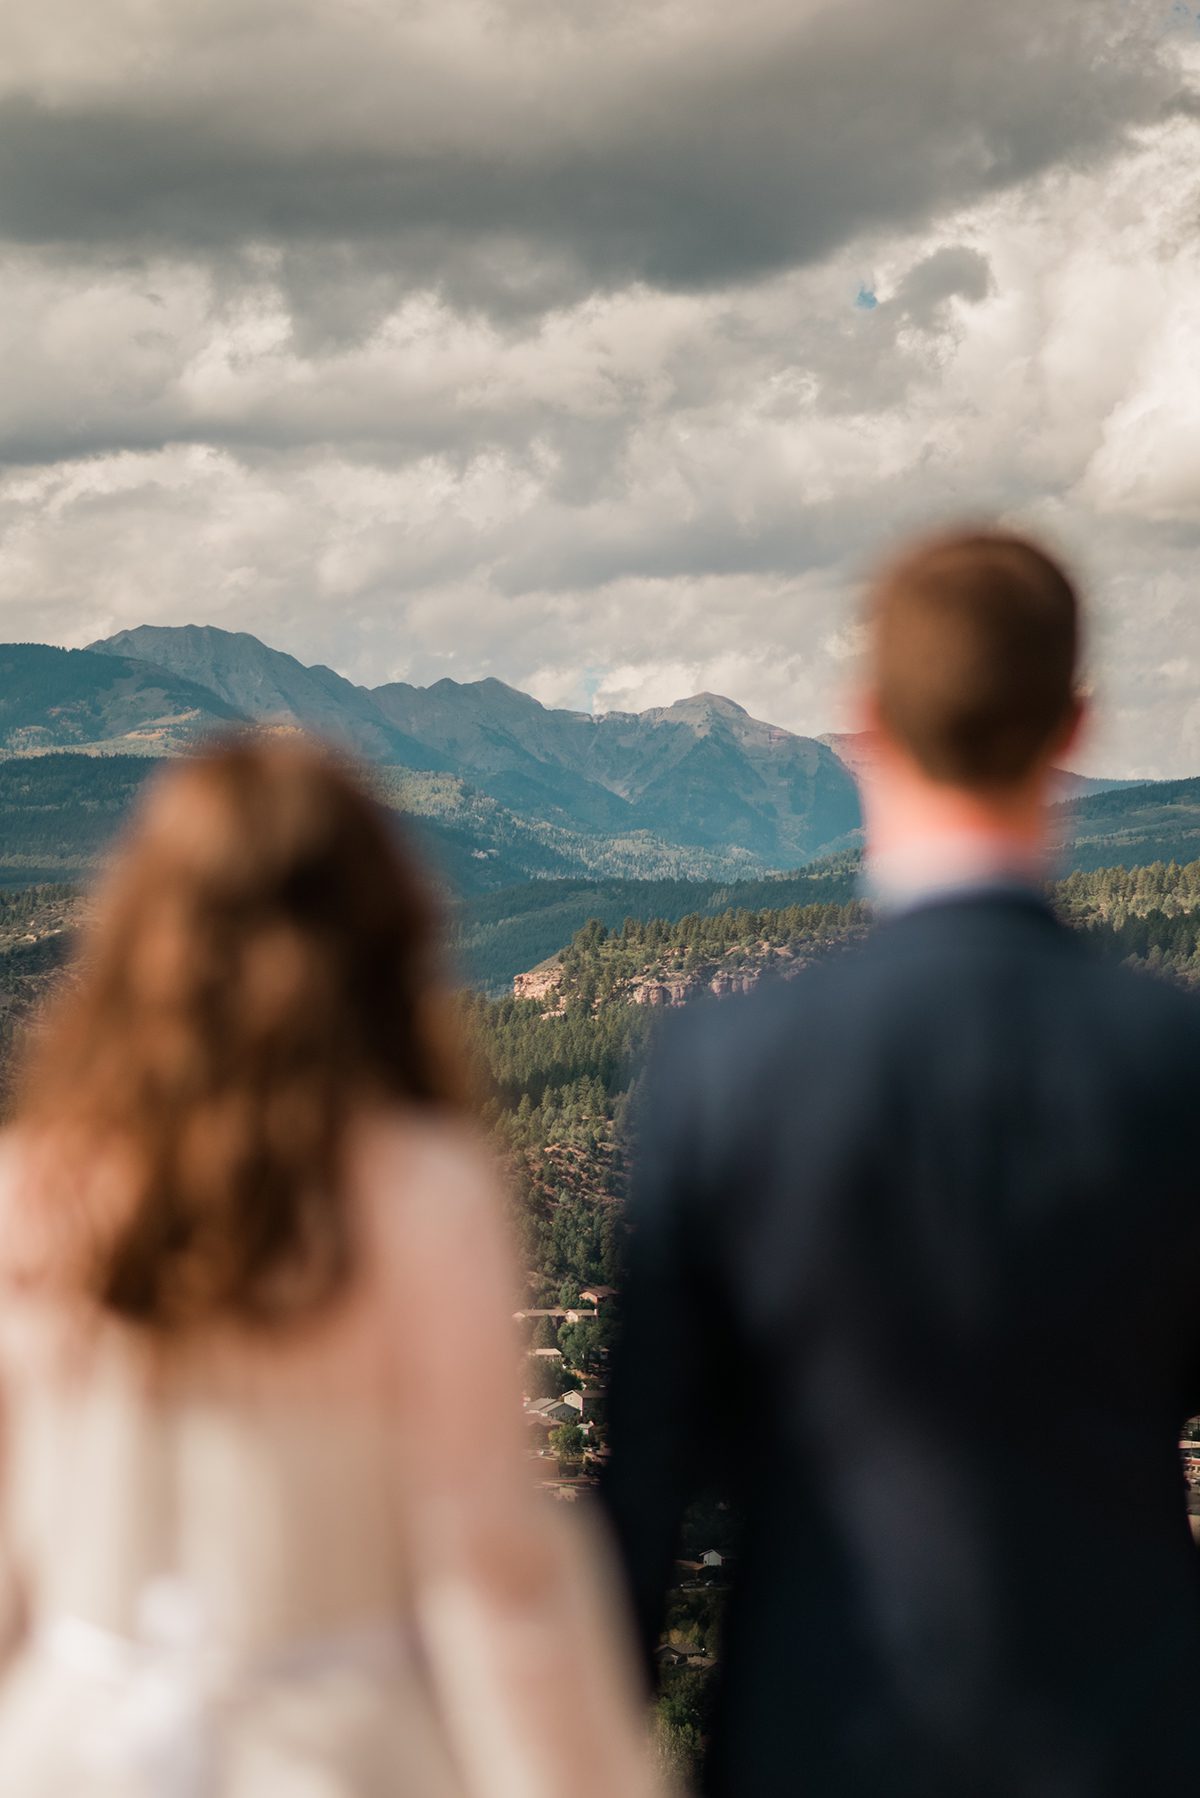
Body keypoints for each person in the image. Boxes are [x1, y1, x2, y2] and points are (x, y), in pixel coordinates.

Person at [602, 531, 1200, 1798]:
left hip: (814, 1739)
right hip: (1127, 1745)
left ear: (865, 720)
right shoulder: (1174, 1061)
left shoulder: (724, 1063)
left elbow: (645, 1481)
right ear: (1073, 722)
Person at [0, 736, 657, 1798]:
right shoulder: (419, 1198)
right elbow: (491, 1574)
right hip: (339, 1758)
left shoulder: (31, 1192)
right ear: (377, 939)